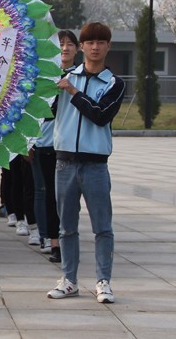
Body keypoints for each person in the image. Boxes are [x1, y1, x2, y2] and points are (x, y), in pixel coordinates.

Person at [47, 22, 125, 304]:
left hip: (95, 165)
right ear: (82, 47)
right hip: (65, 162)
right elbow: (46, 113)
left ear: (108, 46)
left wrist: (73, 92)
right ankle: (69, 280)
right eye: (89, 42)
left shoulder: (114, 83)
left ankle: (103, 282)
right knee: (66, 226)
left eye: (100, 42)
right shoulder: (65, 78)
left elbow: (101, 114)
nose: (94, 47)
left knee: (102, 227)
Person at [37, 30, 79, 262]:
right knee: (50, 195)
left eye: (70, 44)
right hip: (46, 142)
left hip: (71, 144)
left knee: (69, 196)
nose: (65, 49)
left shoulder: (81, 75)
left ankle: (69, 238)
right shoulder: (44, 74)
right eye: (61, 44)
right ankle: (54, 242)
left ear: (77, 49)